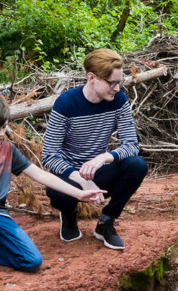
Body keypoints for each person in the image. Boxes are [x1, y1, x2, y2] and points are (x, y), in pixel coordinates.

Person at [0, 95, 104, 279]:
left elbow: (41, 175)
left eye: (4, 126)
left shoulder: (7, 149)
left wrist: (79, 193)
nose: (1, 133)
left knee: (32, 261)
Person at [41, 48, 149, 250]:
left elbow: (131, 145)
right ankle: (68, 214)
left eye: (119, 82)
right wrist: (81, 179)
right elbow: (49, 156)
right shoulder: (66, 103)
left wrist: (104, 158)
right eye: (112, 83)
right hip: (70, 175)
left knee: (137, 165)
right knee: (57, 193)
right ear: (92, 78)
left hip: (99, 171)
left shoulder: (119, 101)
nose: (117, 88)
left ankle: (106, 222)